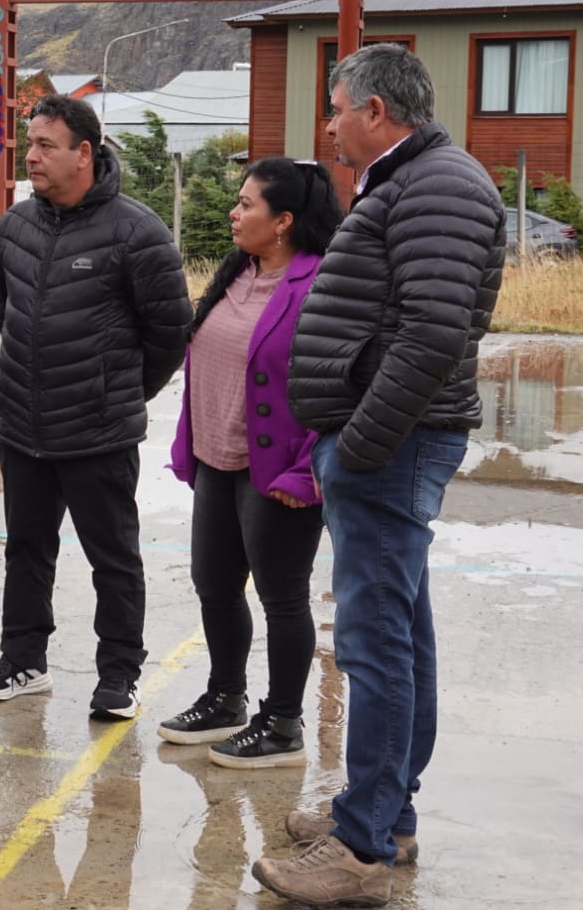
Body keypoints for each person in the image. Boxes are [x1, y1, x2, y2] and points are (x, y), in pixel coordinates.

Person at [251, 43, 504, 906]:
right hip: (384, 442)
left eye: (336, 108)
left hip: (391, 445)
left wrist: (359, 444)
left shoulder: (438, 184)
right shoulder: (409, 179)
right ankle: (385, 812)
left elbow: (434, 332)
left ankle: (360, 851)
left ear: (376, 111)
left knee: (374, 641)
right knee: (398, 630)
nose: (328, 125)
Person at [0, 95, 192, 720]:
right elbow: (5, 310)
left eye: (46, 146)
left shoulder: (136, 231)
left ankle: (119, 675)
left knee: (112, 558)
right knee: (26, 549)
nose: (31, 157)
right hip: (23, 425)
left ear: (84, 153)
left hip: (99, 432)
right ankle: (23, 661)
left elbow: (170, 333)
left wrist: (116, 392)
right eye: (29, 145)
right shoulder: (15, 225)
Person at [158, 157, 342, 767]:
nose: (234, 214)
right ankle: (225, 699)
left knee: (281, 597)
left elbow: (341, 387)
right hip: (217, 456)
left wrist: (308, 469)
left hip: (279, 470)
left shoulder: (319, 284)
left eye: (246, 204)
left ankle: (284, 725)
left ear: (283, 220)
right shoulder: (237, 270)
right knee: (214, 585)